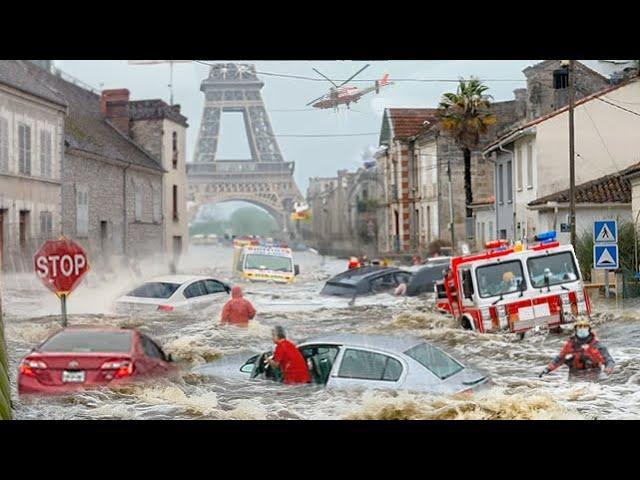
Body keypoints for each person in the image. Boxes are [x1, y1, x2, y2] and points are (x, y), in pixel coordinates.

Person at [539, 319, 614, 378]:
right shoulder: (570, 344)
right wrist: (547, 369)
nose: (582, 329)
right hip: (574, 376)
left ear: (589, 329)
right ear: (576, 329)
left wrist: (608, 368)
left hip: (593, 376)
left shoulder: (597, 344)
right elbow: (559, 359)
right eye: (580, 326)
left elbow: (609, 360)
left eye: (585, 326)